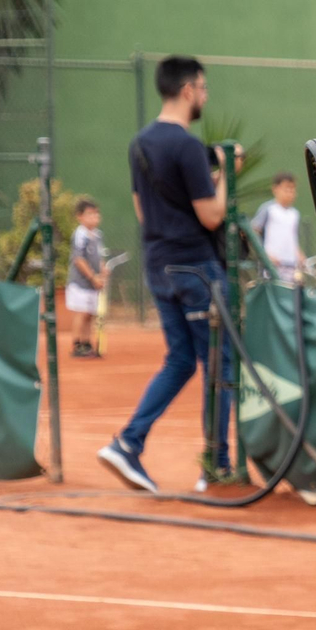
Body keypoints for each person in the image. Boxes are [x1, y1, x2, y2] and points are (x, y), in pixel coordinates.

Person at [98, 56, 236, 494]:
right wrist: (227, 173)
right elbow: (212, 215)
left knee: (180, 360)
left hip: (158, 265)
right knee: (220, 363)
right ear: (189, 89)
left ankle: (129, 443)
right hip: (196, 266)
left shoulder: (140, 144)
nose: (205, 97)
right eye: (204, 88)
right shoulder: (186, 146)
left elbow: (144, 210)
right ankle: (216, 465)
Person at [67, 197, 106, 358]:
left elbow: (100, 257)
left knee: (90, 313)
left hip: (93, 284)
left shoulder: (97, 235)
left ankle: (86, 343)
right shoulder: (80, 234)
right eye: (89, 214)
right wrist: (92, 277)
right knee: (82, 313)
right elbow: (79, 260)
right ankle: (77, 345)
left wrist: (103, 273)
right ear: (80, 217)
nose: (94, 217)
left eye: (96, 214)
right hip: (80, 283)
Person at [251, 171, 304, 282]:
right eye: (286, 189)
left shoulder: (295, 214)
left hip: (291, 267)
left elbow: (292, 239)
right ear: (275, 189)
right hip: (271, 266)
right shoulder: (268, 209)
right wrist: (266, 255)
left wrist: (300, 256)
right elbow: (253, 232)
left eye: (292, 189)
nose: (290, 193)